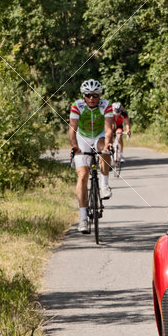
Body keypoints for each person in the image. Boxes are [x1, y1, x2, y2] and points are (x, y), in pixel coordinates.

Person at [68, 79, 115, 234]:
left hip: (99, 136)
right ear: (84, 96)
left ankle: (104, 184)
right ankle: (83, 218)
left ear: (99, 95)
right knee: (82, 176)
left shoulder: (106, 105)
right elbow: (72, 128)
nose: (92, 98)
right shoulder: (77, 106)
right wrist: (74, 146)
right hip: (83, 139)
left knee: (105, 150)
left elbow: (108, 129)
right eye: (88, 95)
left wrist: (108, 143)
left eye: (95, 95)